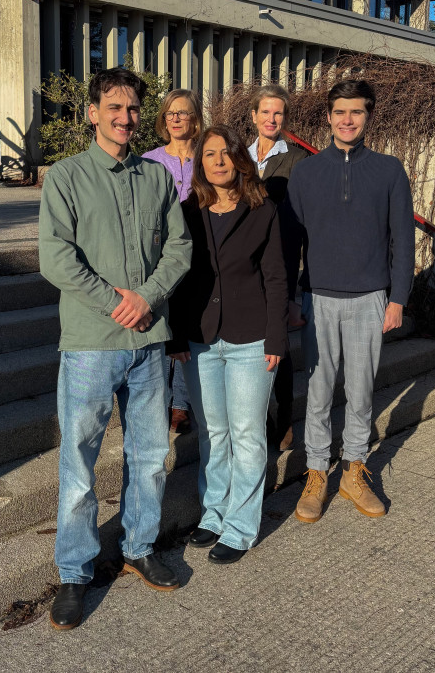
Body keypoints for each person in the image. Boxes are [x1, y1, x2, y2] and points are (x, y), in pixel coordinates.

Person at [39, 67, 192, 630]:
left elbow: (180, 247)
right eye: (114, 107)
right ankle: (75, 572)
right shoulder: (67, 178)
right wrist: (114, 301)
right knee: (79, 464)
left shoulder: (156, 178)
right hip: (90, 344)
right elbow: (56, 258)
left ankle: (139, 547)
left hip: (149, 340)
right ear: (92, 112)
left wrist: (147, 297)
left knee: (150, 456)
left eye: (132, 109)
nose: (124, 118)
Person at [284, 79, 414, 524]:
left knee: (360, 393)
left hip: (369, 299)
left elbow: (403, 239)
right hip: (317, 297)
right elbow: (291, 242)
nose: (347, 119)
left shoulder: (389, 170)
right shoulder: (305, 173)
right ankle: (317, 472)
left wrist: (397, 298)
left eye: (356, 112)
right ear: (328, 117)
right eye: (340, 111)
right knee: (318, 394)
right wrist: (290, 297)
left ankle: (354, 470)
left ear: (368, 117)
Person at [168, 125, 288, 565]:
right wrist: (176, 334)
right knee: (214, 432)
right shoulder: (186, 211)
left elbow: (277, 278)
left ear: (240, 158)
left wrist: (277, 336)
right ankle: (213, 514)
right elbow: (177, 278)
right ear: (200, 163)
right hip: (200, 339)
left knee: (248, 435)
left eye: (225, 153)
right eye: (209, 154)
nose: (218, 161)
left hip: (251, 340)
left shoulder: (263, 210)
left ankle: (240, 528)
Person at [247, 84, 309, 450]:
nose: (271, 119)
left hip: (279, 262)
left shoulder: (298, 160)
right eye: (265, 112)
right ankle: (252, 418)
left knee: (278, 346)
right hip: (242, 264)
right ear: (253, 115)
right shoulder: (239, 154)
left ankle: (283, 418)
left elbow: (300, 222)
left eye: (278, 113)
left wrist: (296, 290)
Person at [142, 89, 203, 434]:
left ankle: (180, 404)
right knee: (163, 327)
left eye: (183, 113)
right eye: (170, 114)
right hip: (160, 256)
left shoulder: (207, 158)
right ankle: (157, 400)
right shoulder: (149, 161)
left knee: (188, 327)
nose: (176, 118)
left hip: (200, 254)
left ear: (195, 119)